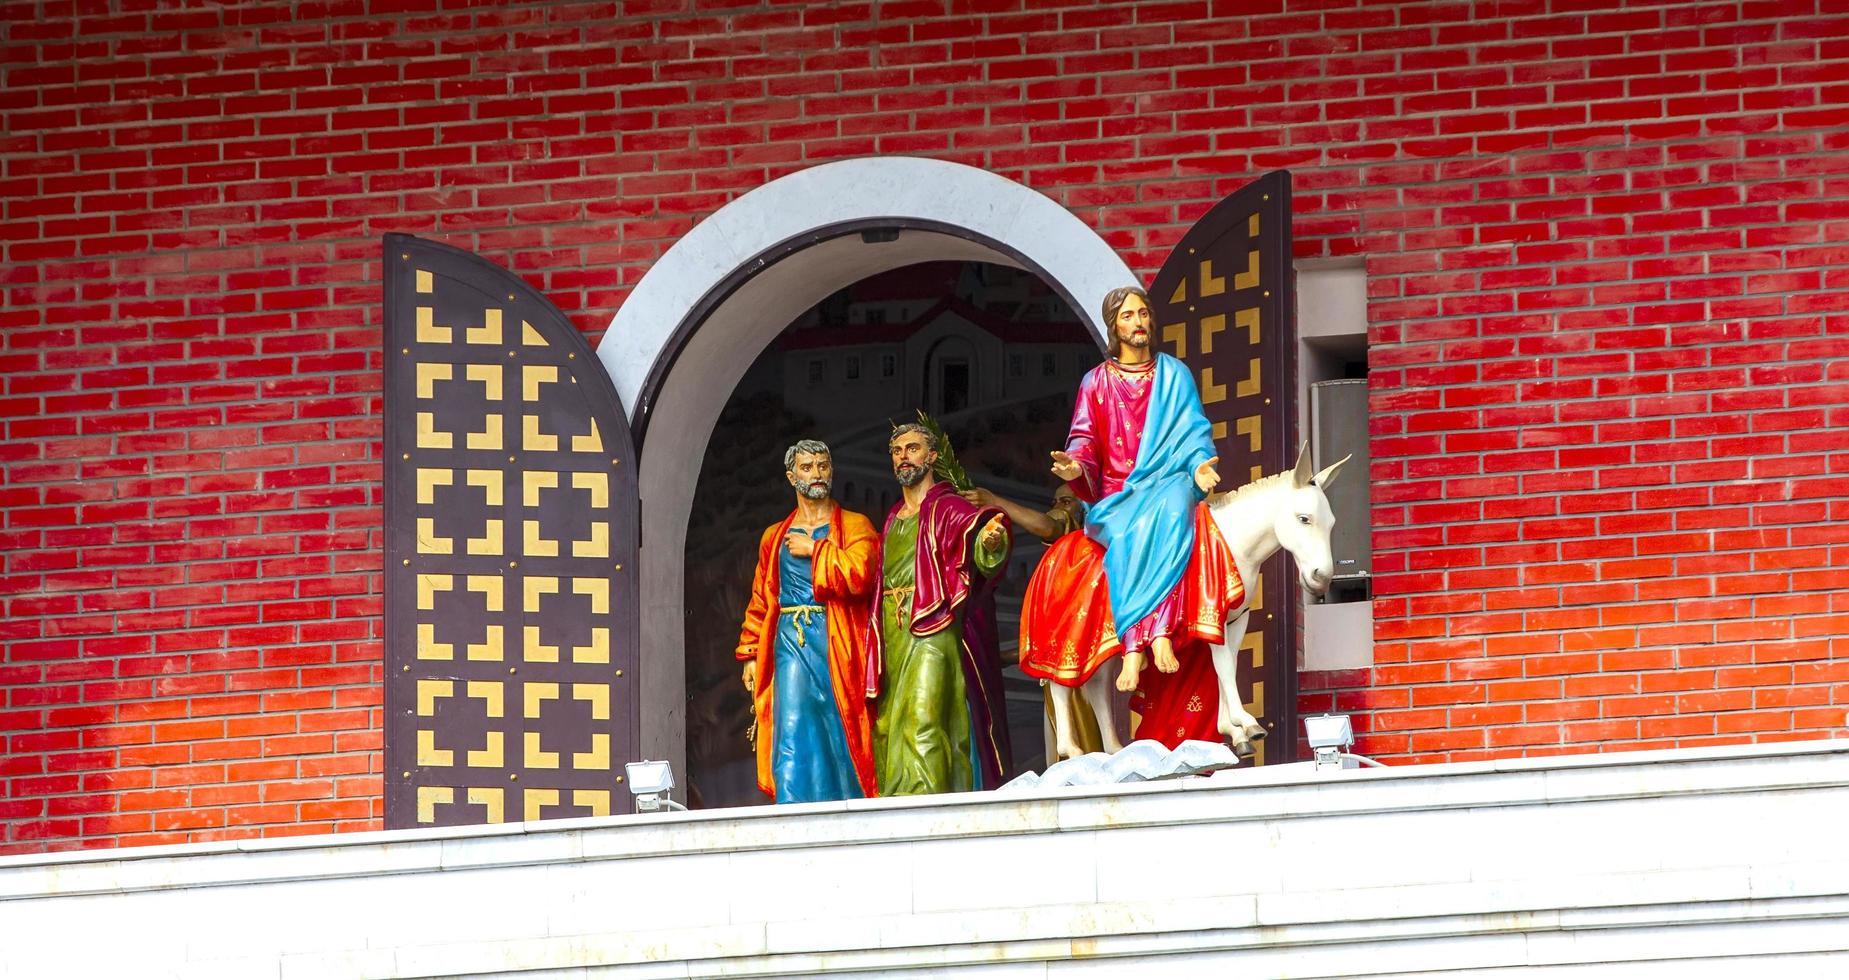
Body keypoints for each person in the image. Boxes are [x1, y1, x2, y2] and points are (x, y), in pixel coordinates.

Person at [1040, 286, 1243, 702]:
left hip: (1169, 480)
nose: (1138, 323)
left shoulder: (1174, 374)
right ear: (1114, 326)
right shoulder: (1096, 382)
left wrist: (1200, 466)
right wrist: (1075, 467)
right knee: (1126, 533)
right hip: (1117, 491)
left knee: (1171, 511)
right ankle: (1134, 643)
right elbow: (1084, 438)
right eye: (1128, 316)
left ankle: (1160, 633)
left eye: (1143, 314)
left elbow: (1193, 431)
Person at [867, 423, 1011, 795]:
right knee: (888, 723)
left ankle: (923, 804)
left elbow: (978, 538)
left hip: (931, 624)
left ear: (931, 456)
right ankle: (896, 799)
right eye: (897, 451)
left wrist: (990, 542)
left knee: (923, 715)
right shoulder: (894, 518)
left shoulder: (948, 506)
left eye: (912, 448)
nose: (904, 457)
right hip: (893, 626)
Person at [735, 439, 879, 803]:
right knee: (794, 726)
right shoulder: (775, 536)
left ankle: (852, 809)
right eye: (807, 467)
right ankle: (794, 810)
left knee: (842, 726)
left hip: (837, 639)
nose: (817, 474)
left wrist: (817, 550)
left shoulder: (855, 525)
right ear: (791, 476)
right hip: (789, 642)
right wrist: (751, 651)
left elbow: (862, 574)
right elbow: (762, 598)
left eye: (823, 466)